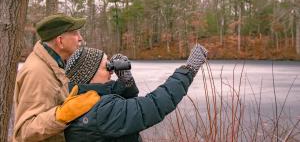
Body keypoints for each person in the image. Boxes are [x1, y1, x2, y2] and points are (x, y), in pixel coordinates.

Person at [63, 44, 208, 142]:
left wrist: (126, 82)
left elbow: (122, 112)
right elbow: (153, 106)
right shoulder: (102, 111)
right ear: (90, 75)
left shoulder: (78, 101)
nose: (111, 70)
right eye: (106, 66)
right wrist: (188, 70)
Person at [13, 14, 100, 142]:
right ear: (60, 41)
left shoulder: (55, 63)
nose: (80, 38)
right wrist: (62, 115)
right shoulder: (37, 73)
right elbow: (24, 131)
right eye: (75, 33)